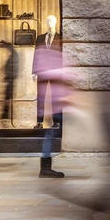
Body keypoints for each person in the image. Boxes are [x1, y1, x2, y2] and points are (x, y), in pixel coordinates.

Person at [34, 15, 64, 178]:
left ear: (56, 23)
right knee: (41, 96)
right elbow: (36, 55)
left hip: (56, 72)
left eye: (52, 21)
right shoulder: (40, 38)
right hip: (42, 71)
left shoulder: (60, 38)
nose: (50, 23)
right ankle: (39, 120)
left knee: (54, 98)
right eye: (48, 21)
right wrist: (34, 71)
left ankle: (56, 120)